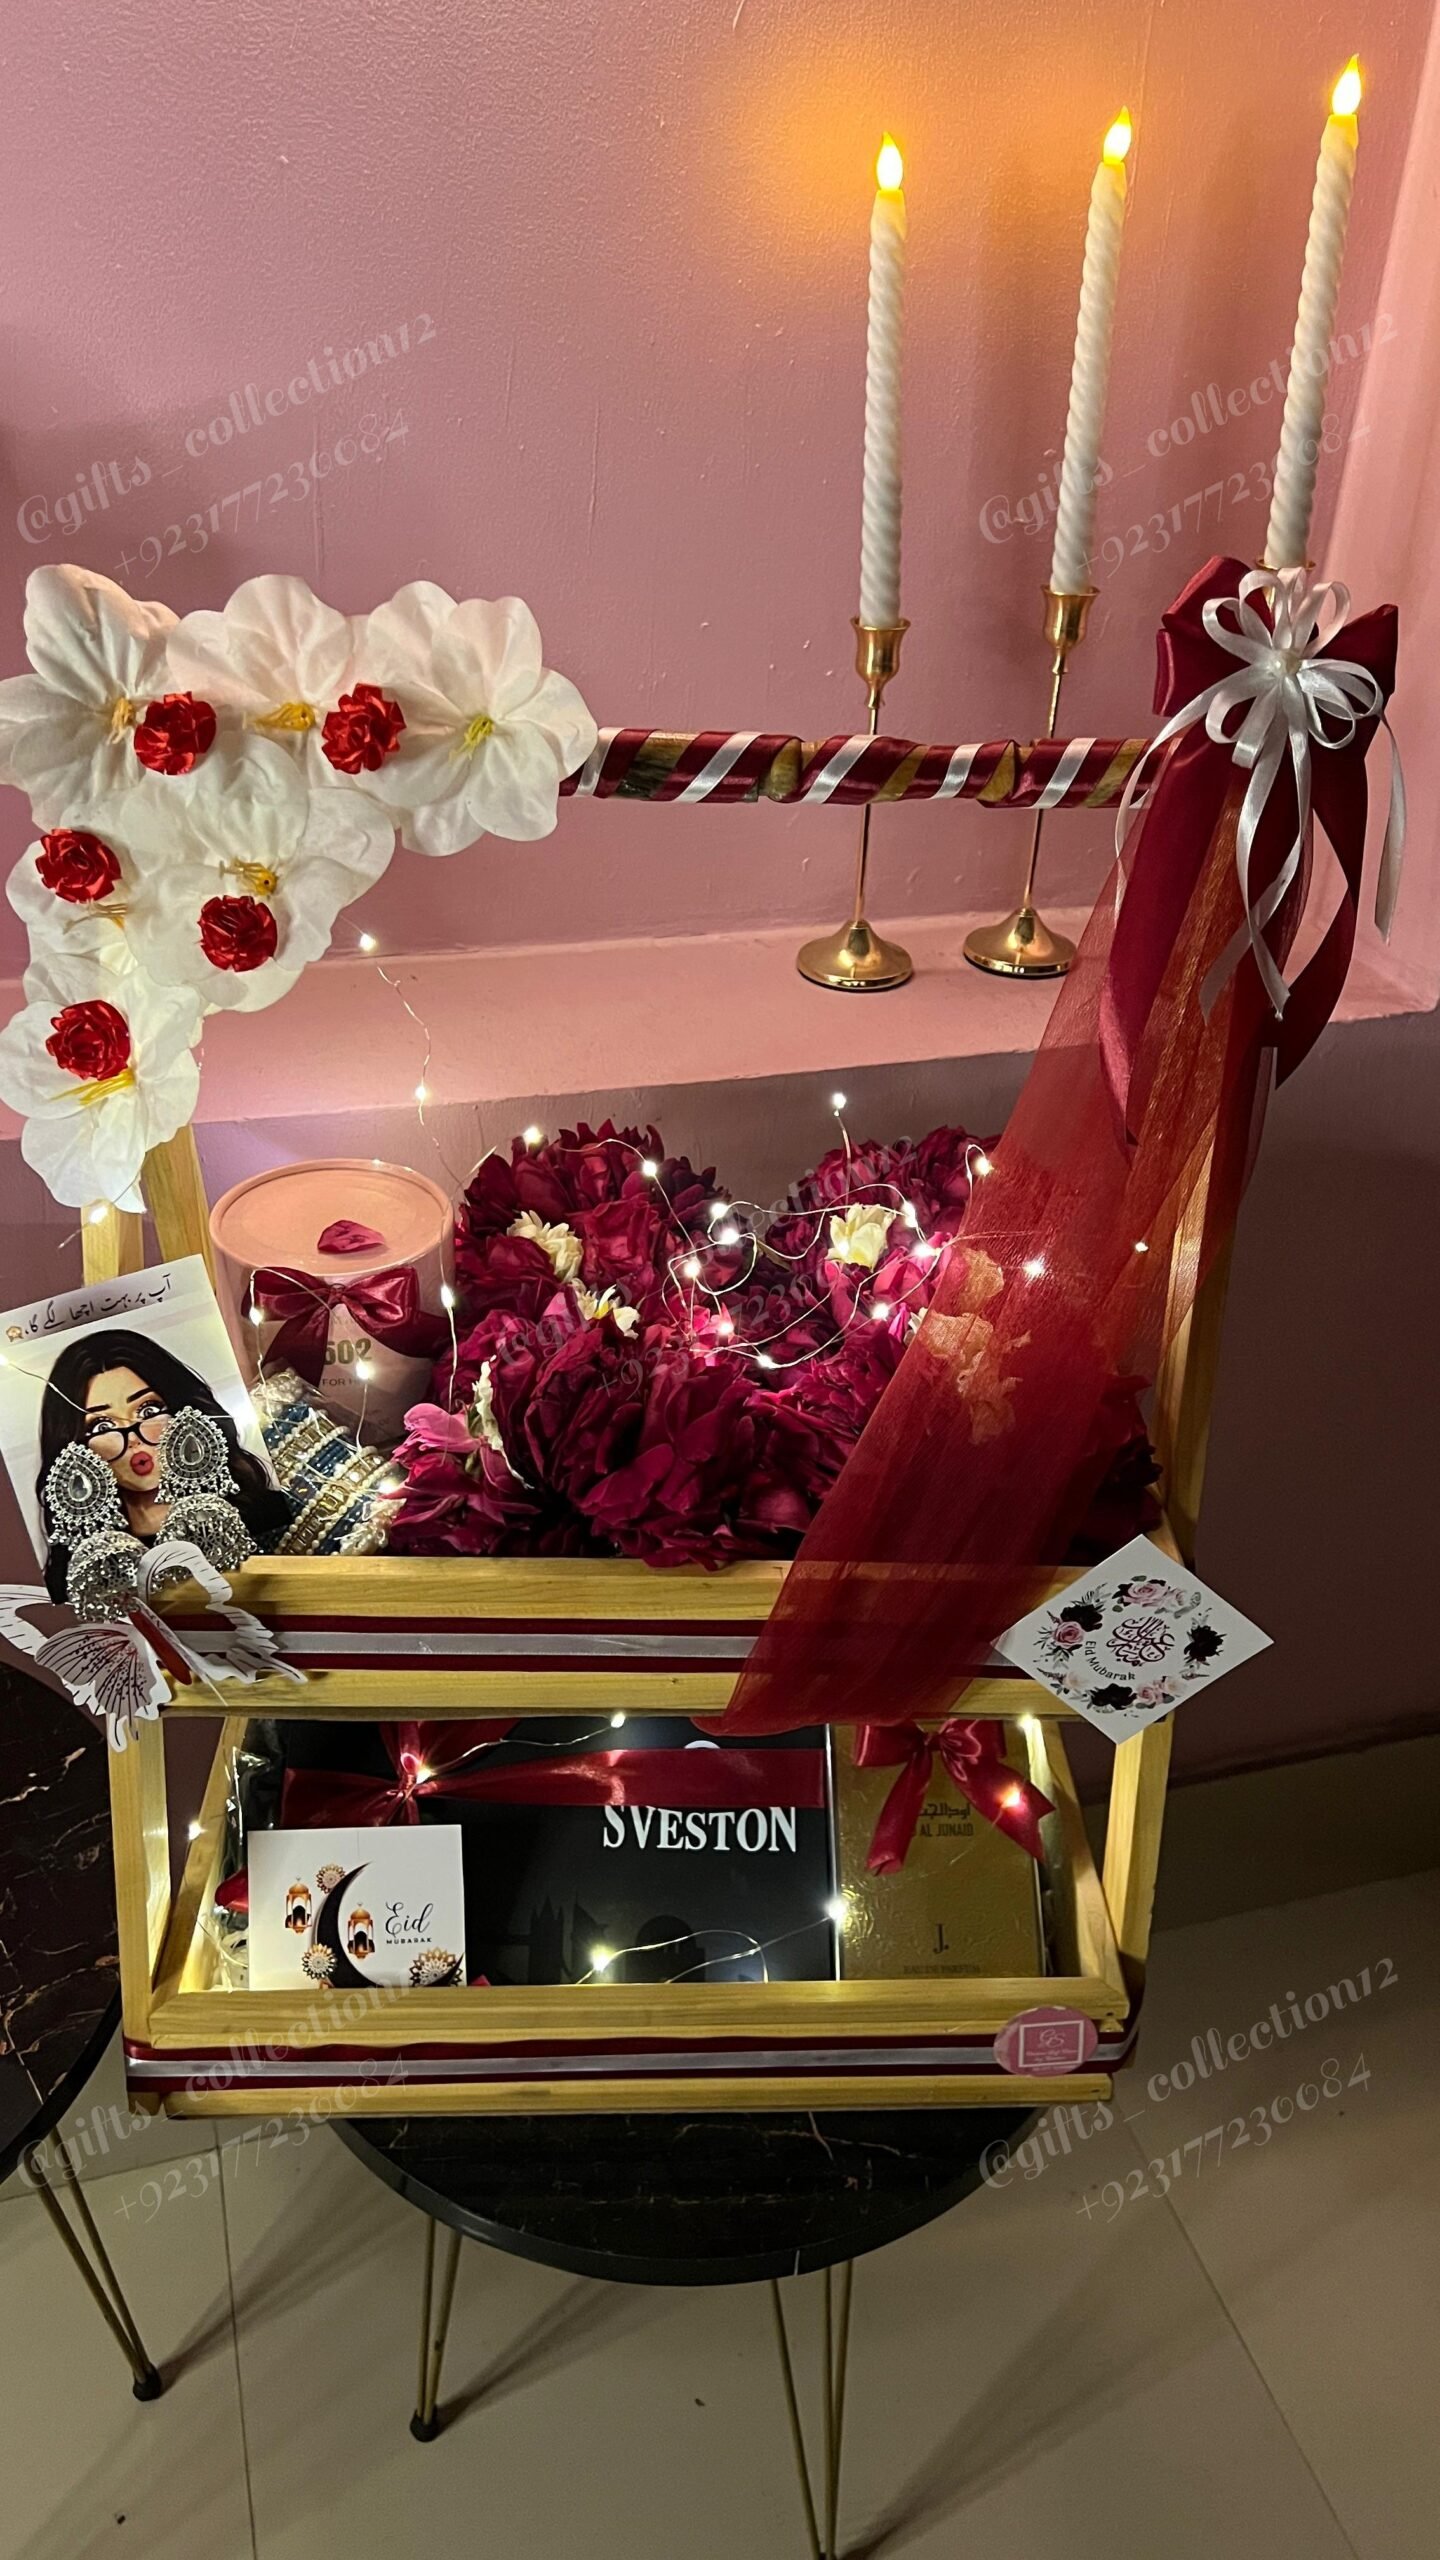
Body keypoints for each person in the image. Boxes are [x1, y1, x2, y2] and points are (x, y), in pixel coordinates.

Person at [37, 1327, 291, 1602]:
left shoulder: (268, 1513)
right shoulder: (85, 1574)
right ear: (75, 1448)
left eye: (148, 1410)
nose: (133, 1439)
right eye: (103, 1425)